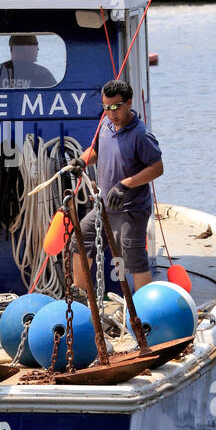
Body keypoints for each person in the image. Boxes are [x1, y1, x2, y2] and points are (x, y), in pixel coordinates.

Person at [71, 79, 163, 293]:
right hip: (103, 207)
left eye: (115, 107)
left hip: (131, 209)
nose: (111, 113)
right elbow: (96, 150)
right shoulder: (105, 124)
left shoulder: (141, 134)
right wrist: (82, 161)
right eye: (106, 107)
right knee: (81, 239)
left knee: (134, 260)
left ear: (129, 103)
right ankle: (83, 298)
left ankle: (145, 312)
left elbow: (157, 168)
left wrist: (126, 184)